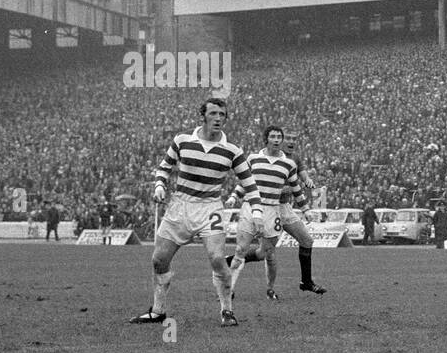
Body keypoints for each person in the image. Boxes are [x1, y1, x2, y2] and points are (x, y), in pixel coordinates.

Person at [129, 97, 263, 327]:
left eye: (222, 114)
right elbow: (164, 167)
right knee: (159, 260)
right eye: (213, 114)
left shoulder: (232, 151)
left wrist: (258, 213)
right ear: (203, 116)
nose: (218, 118)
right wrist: (160, 186)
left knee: (217, 258)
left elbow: (249, 183)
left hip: (210, 207)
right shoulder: (182, 141)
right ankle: (158, 310)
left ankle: (227, 311)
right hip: (180, 206)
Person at [227, 126, 301, 302]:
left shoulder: (289, 164)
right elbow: (244, 181)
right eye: (273, 136)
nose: (276, 139)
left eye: (279, 137)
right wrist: (233, 196)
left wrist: (305, 208)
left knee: (269, 253)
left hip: (272, 210)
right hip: (251, 206)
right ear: (266, 138)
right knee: (240, 249)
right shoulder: (253, 158)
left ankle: (270, 289)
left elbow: (296, 187)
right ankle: (229, 289)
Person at [273, 137, 327, 296]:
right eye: (287, 138)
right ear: (280, 140)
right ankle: (229, 263)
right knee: (264, 251)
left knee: (307, 240)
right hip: (269, 207)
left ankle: (306, 282)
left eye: (293, 139)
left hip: (286, 208)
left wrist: (308, 180)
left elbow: (303, 175)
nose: (291, 142)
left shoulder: (294, 158)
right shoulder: (270, 157)